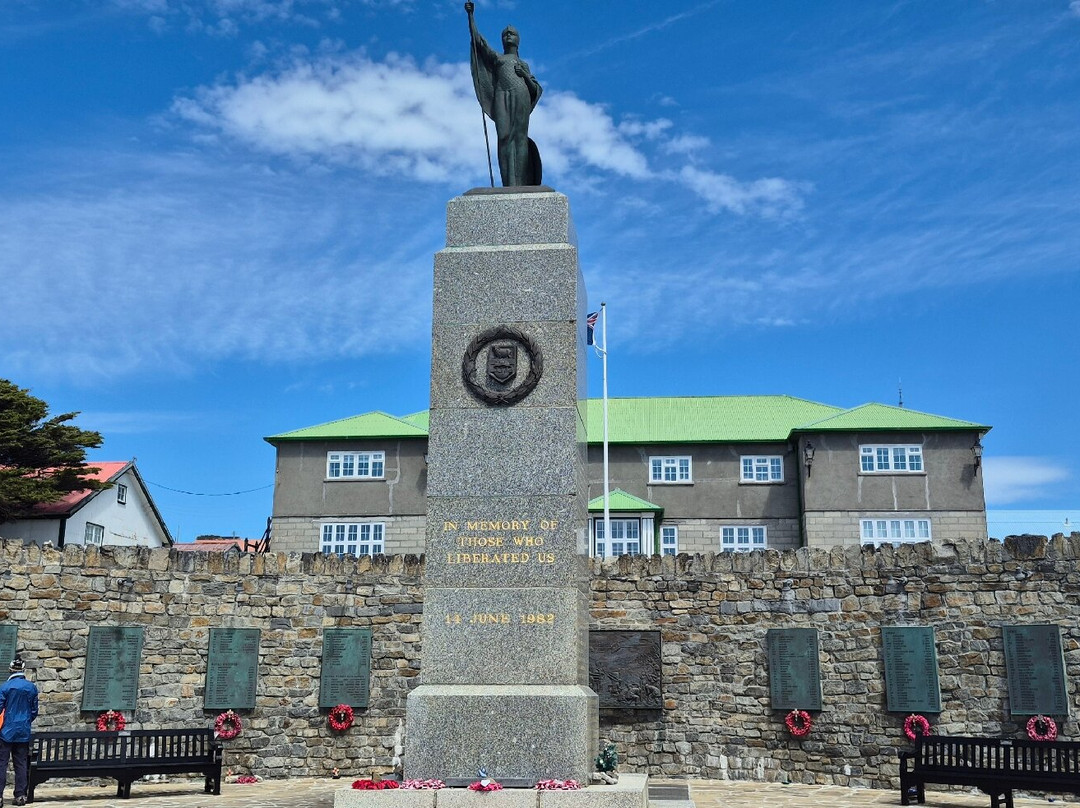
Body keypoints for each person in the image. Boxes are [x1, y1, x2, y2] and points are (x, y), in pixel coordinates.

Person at [465, 1, 543, 186]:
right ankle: (508, 183)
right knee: (504, 136)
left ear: (518, 39)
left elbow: (536, 90)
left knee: (519, 138)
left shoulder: (523, 64)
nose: (509, 35)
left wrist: (524, 75)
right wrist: (471, 16)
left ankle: (522, 183)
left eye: (512, 34)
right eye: (506, 34)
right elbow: (479, 42)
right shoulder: (498, 58)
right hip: (501, 94)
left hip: (521, 94)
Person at [0, 656, 38, 807]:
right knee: (21, 764)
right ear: (23, 670)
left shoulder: (5, 687)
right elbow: (34, 711)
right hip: (23, 731)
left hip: (6, 731)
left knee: (1, 763)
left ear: (10, 669)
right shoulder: (31, 688)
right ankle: (20, 795)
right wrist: (26, 722)